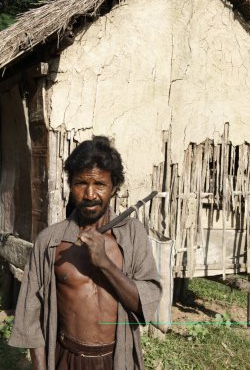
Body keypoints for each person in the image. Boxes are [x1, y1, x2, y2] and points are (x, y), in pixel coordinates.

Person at [9, 136, 162, 370]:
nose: (90, 194)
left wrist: (105, 263)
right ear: (71, 186)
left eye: (100, 184)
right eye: (81, 183)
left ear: (114, 188)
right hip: (67, 359)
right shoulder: (51, 242)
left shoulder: (133, 236)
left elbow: (145, 306)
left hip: (116, 360)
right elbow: (31, 317)